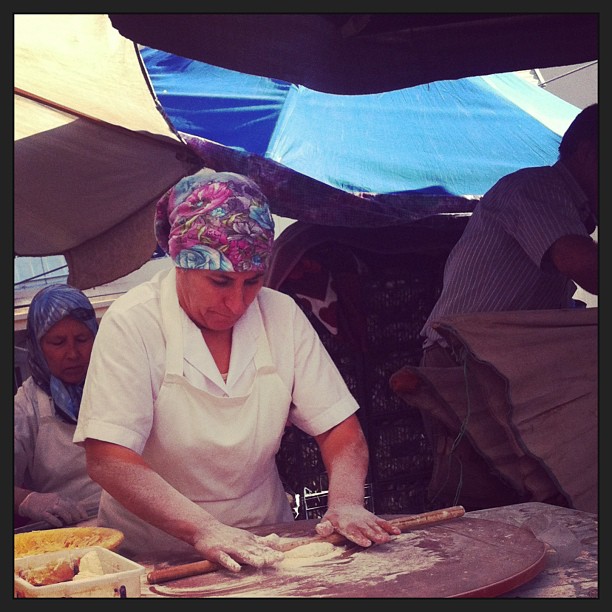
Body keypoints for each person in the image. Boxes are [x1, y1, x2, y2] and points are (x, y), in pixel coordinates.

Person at [73, 169, 400, 571]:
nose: (237, 303)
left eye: (252, 281)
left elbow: (339, 429)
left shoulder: (281, 315)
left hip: (267, 540)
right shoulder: (133, 321)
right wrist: (203, 529)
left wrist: (347, 502)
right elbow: (108, 456)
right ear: (180, 262)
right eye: (220, 281)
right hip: (156, 556)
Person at [420, 103, 598, 366]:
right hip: (464, 364)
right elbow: (584, 264)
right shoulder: (539, 188)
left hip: (485, 360)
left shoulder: (569, 209)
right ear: (590, 154)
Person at [14, 284, 102, 528]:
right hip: (69, 532)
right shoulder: (26, 405)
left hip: (135, 520)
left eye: (82, 339)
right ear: (37, 346)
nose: (73, 353)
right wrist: (29, 500)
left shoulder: (119, 382)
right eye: (58, 342)